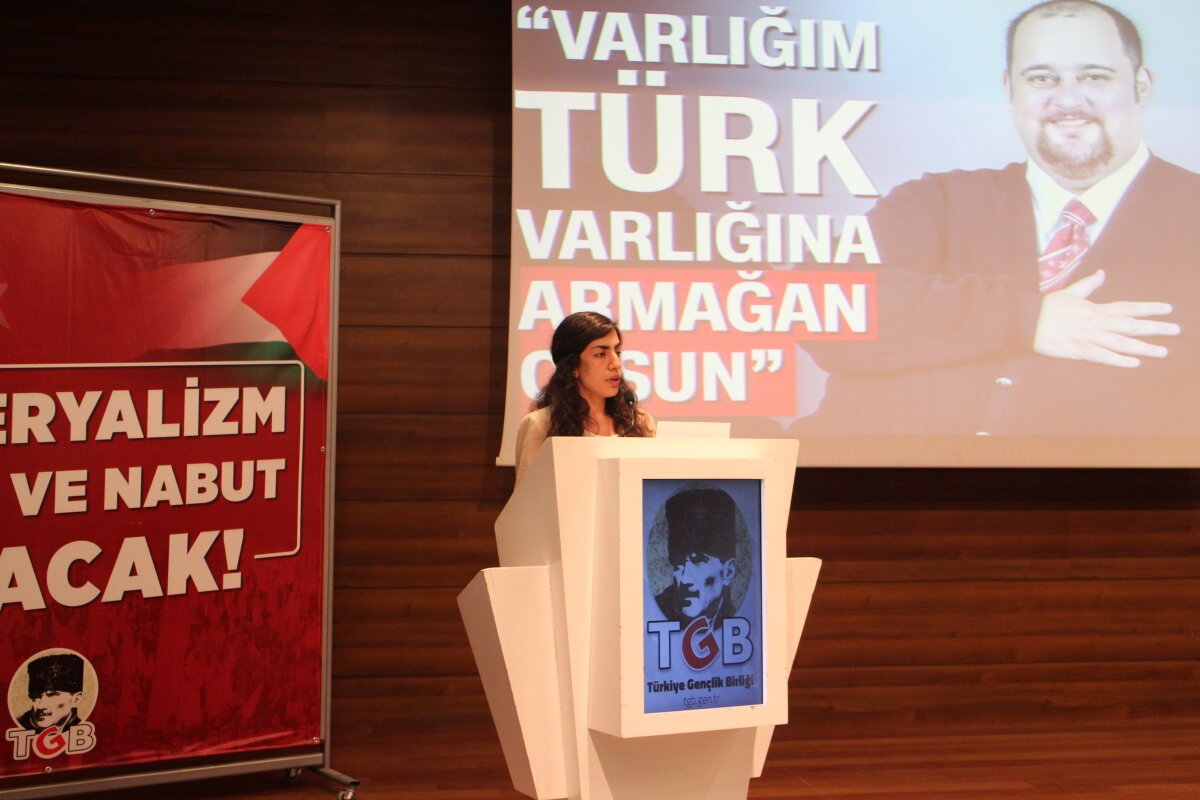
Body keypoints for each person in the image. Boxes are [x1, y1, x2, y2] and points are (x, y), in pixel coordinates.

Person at [806, 0, 1200, 435]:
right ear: (1010, 89)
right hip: (869, 477)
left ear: (1142, 86)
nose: (1068, 99)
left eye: (1094, 76)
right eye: (1041, 78)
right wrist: (1027, 319)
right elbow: (816, 308)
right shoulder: (935, 202)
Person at [514, 311, 655, 484]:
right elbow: (529, 497)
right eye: (600, 354)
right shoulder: (541, 425)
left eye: (617, 353)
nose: (616, 364)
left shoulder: (639, 423)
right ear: (573, 366)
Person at [653, 488, 739, 627]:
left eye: (698, 561)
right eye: (678, 564)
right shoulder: (652, 613)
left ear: (728, 572)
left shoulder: (736, 619)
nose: (684, 580)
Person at [16, 654, 85, 732]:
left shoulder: (81, 727)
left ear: (76, 700)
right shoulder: (18, 725)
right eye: (35, 698)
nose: (40, 707)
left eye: (52, 695)